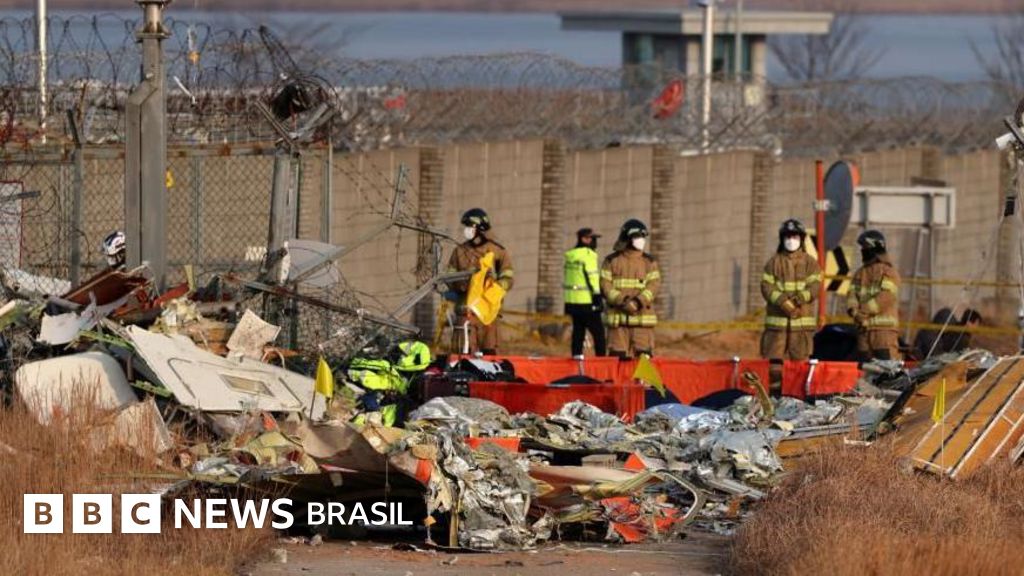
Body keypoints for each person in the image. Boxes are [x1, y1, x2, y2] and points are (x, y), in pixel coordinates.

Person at [760, 219, 822, 397]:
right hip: (776, 328)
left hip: (801, 328)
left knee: (800, 368)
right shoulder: (773, 263)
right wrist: (782, 302)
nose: (790, 240)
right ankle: (773, 398)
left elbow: (815, 287)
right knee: (774, 368)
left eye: (794, 236)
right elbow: (766, 287)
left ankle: (798, 399)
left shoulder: (811, 263)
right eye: (787, 236)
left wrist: (798, 300)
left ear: (801, 239)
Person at [446, 208, 514, 355]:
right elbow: (449, 276)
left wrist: (493, 289)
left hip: (488, 316)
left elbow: (508, 277)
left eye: (470, 227)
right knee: (463, 355)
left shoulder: (497, 251)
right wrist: (460, 285)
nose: (467, 230)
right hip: (466, 313)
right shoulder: (459, 251)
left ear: (480, 229)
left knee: (490, 356)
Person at [601, 219, 660, 358]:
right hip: (618, 323)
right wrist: (623, 301)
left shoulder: (649, 262)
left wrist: (638, 302)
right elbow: (605, 285)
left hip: (642, 322)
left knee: (644, 361)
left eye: (643, 237)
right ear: (628, 238)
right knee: (617, 360)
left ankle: (642, 382)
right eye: (639, 237)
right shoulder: (611, 261)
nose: (642, 240)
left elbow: (654, 286)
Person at [350, 340, 432, 427]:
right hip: (378, 405)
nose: (397, 354)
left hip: (388, 416)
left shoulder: (416, 379)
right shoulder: (395, 369)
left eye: (402, 354)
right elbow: (357, 365)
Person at [847, 230, 901, 361]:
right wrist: (854, 311)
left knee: (887, 371)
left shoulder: (889, 272)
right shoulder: (860, 273)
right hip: (863, 332)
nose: (863, 251)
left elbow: (886, 298)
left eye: (865, 248)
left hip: (883, 332)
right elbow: (852, 294)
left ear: (875, 248)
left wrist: (863, 311)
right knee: (865, 371)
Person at [563, 227, 607, 357]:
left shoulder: (571, 255)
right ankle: (602, 362)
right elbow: (592, 276)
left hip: (572, 302)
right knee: (598, 334)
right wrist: (597, 296)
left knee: (578, 333)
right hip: (587, 302)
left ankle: (577, 360)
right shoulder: (588, 255)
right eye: (593, 239)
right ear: (584, 239)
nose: (594, 242)